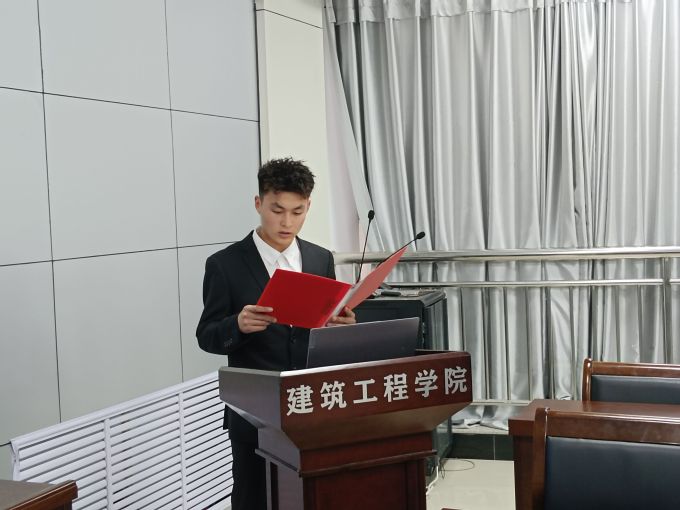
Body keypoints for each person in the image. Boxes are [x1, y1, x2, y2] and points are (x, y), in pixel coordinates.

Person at [196, 157, 355, 510]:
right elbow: (206, 334)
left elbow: (322, 327)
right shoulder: (225, 264)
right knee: (253, 496)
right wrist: (237, 325)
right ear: (258, 203)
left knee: (312, 495)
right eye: (277, 210)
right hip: (254, 409)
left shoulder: (320, 259)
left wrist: (339, 327)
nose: (287, 222)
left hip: (313, 403)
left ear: (308, 206)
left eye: (298, 212)